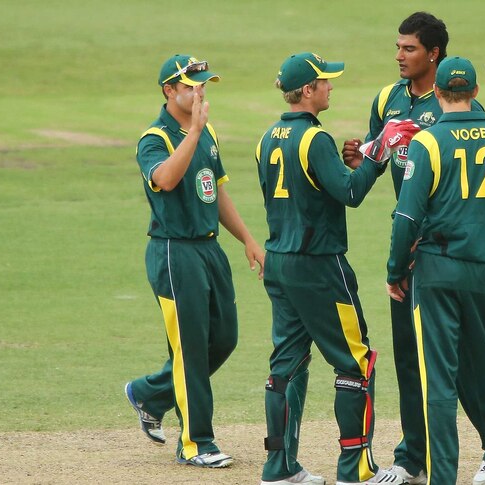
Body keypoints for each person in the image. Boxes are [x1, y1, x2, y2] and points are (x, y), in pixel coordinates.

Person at [341, 12, 485, 485]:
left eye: (409, 49)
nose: (399, 56)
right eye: (398, 47)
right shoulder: (388, 98)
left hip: (447, 252)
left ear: (433, 54)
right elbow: (377, 150)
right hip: (407, 247)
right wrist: (363, 154)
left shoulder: (454, 102)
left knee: (463, 359)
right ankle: (412, 458)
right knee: (409, 358)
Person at [256, 52, 418, 485]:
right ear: (307, 91)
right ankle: (356, 468)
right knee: (356, 363)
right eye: (324, 82)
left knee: (285, 366)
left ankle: (278, 467)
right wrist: (379, 155)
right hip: (319, 268)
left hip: (280, 262)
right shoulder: (314, 139)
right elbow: (349, 193)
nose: (330, 87)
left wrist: (360, 158)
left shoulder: (267, 138)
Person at [386, 56, 485, 485]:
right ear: (475, 92)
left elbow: (406, 218)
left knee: (439, 385)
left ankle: (442, 479)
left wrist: (396, 270)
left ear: (439, 94)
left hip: (436, 274)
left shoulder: (428, 143)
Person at [124, 54, 265, 468]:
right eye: (190, 86)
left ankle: (150, 393)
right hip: (173, 250)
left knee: (223, 339)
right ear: (169, 91)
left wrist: (247, 239)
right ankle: (196, 443)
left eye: (202, 85)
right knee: (190, 350)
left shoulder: (206, 134)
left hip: (209, 249)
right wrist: (194, 132)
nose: (199, 92)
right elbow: (165, 179)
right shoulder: (155, 138)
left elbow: (216, 190)